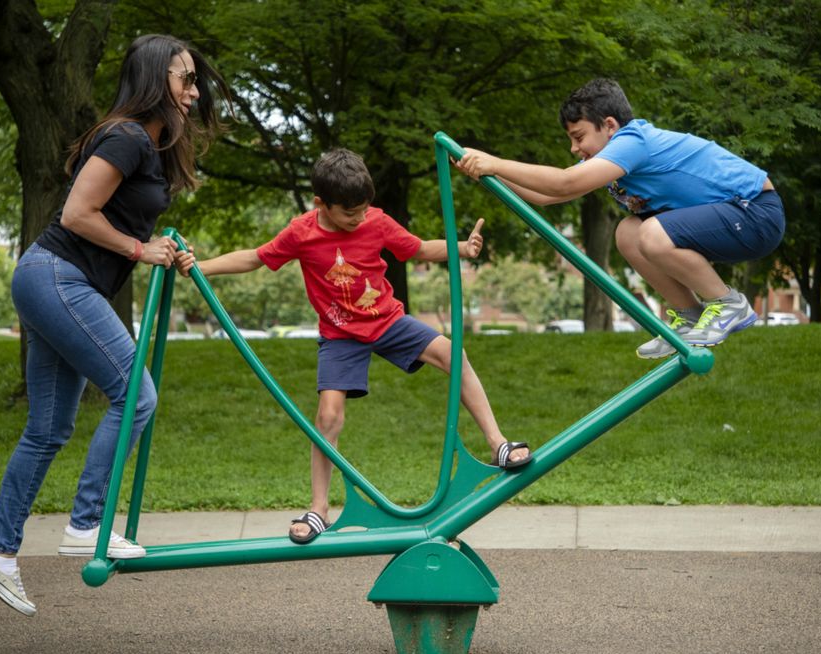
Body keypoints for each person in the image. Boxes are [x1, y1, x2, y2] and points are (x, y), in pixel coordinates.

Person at [0, 34, 230, 616]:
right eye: (184, 79)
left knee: (49, 429)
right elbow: (75, 215)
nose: (192, 91)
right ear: (155, 78)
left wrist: (164, 248)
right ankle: (88, 523)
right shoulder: (126, 136)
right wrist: (141, 250)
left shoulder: (149, 146)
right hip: (56, 277)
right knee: (135, 394)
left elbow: (121, 222)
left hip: (58, 281)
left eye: (194, 81)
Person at [177, 148, 532, 545]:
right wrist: (200, 266)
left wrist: (461, 248)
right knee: (328, 415)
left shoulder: (375, 221)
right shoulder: (301, 232)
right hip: (340, 334)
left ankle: (497, 444)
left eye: (363, 209)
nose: (359, 218)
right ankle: (318, 509)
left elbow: (414, 249)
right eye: (349, 213)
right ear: (320, 204)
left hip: (387, 320)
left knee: (454, 355)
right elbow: (255, 258)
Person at [456, 78, 785, 359]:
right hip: (730, 221)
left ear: (610, 126)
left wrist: (495, 163)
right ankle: (690, 315)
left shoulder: (633, 142)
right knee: (629, 232)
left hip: (755, 211)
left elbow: (563, 182)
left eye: (579, 136)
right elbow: (548, 195)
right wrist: (488, 176)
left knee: (652, 233)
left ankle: (729, 303)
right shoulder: (617, 156)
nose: (574, 148)